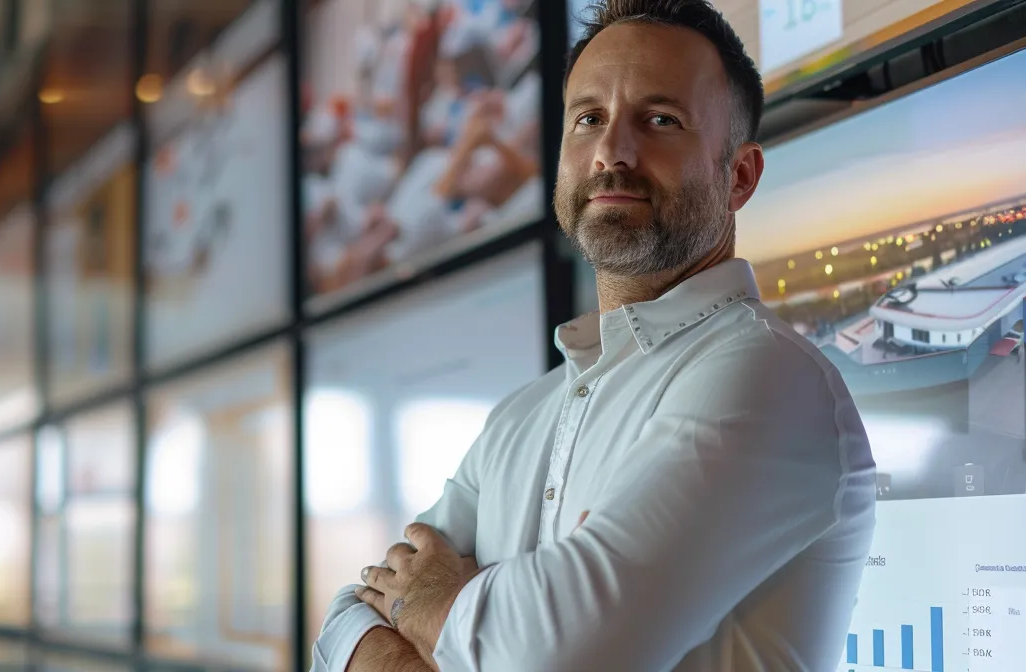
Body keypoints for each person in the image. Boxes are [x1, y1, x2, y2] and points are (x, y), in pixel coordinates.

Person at [308, 0, 877, 669]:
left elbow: (558, 658)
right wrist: (456, 617)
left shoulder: (770, 380)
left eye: (660, 120)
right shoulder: (521, 417)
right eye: (589, 119)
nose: (612, 151)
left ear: (740, 176)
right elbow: (342, 625)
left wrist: (431, 609)